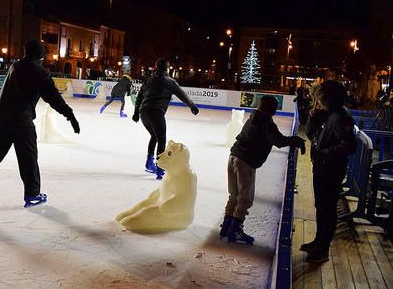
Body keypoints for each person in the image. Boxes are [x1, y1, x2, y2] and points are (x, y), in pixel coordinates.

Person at [0, 39, 80, 209]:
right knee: (28, 159)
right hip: (22, 122)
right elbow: (53, 97)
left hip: (1, 119)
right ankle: (32, 194)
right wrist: (70, 115)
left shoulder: (15, 66)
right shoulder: (40, 72)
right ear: (41, 56)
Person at [219, 95, 306, 244]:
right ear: (271, 110)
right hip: (245, 161)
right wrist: (295, 140)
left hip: (234, 156)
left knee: (234, 195)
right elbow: (278, 141)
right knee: (245, 198)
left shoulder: (252, 117)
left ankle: (226, 227)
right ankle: (235, 230)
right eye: (274, 110)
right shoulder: (266, 123)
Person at [302, 80, 356, 263]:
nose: (317, 102)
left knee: (327, 208)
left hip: (331, 169)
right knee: (321, 205)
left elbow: (349, 145)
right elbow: (312, 135)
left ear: (329, 98)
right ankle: (318, 241)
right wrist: (313, 115)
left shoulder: (342, 116)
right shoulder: (328, 114)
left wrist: (325, 154)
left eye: (320, 98)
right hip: (321, 166)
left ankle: (322, 249)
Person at [132, 58, 199, 179]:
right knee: (161, 139)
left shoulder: (149, 80)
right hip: (156, 113)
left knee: (154, 136)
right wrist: (192, 106)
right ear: (167, 68)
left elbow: (139, 96)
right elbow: (182, 95)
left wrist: (136, 113)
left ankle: (149, 162)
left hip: (144, 112)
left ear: (156, 67)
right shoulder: (170, 82)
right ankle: (160, 169)